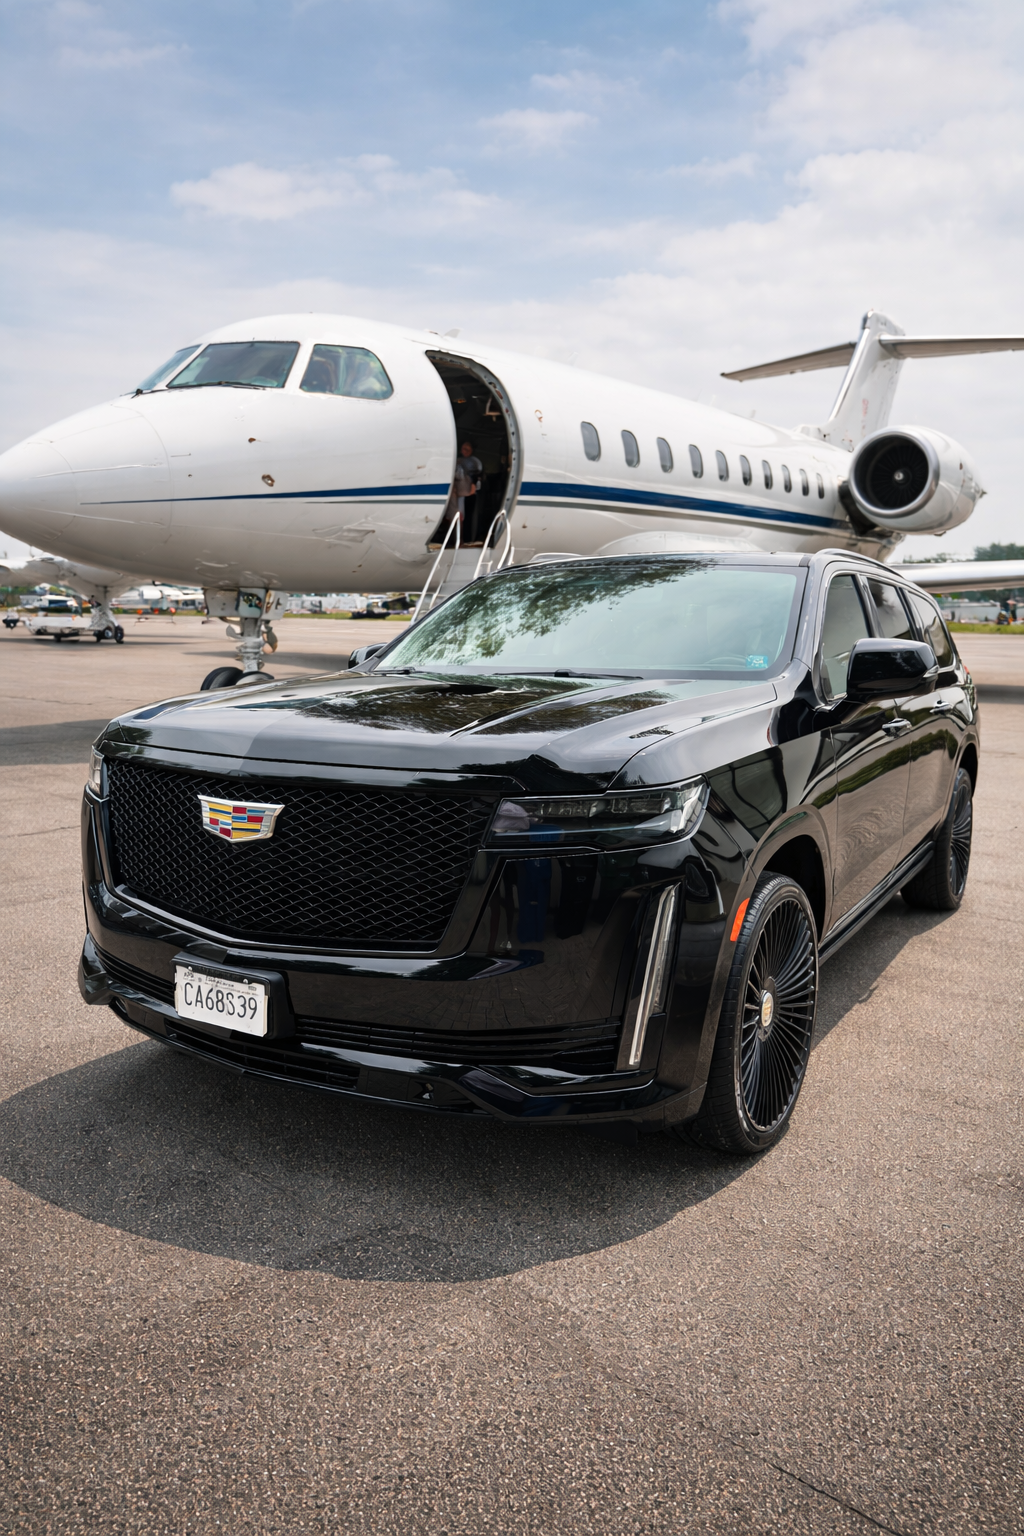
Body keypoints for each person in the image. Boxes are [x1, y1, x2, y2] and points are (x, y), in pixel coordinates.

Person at [451, 441, 482, 534]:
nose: (464, 451)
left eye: (467, 449)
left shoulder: (474, 462)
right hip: (458, 494)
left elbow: (476, 477)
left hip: (468, 495)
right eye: (463, 449)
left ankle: (467, 538)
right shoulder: (458, 461)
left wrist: (471, 491)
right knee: (458, 517)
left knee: (467, 518)